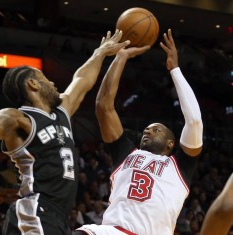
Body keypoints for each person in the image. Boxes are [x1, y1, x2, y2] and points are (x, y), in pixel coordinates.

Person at [0, 30, 130, 235]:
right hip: (36, 210)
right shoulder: (19, 117)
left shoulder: (62, 111)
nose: (53, 83)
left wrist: (101, 52)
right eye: (45, 78)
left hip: (57, 216)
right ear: (33, 84)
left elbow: (82, 79)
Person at [75, 28, 203, 235]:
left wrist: (175, 70)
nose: (148, 130)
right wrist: (121, 57)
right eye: (147, 128)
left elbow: (195, 121)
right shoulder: (126, 154)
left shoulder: (180, 165)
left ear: (171, 143)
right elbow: (103, 106)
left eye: (157, 129)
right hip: (111, 230)